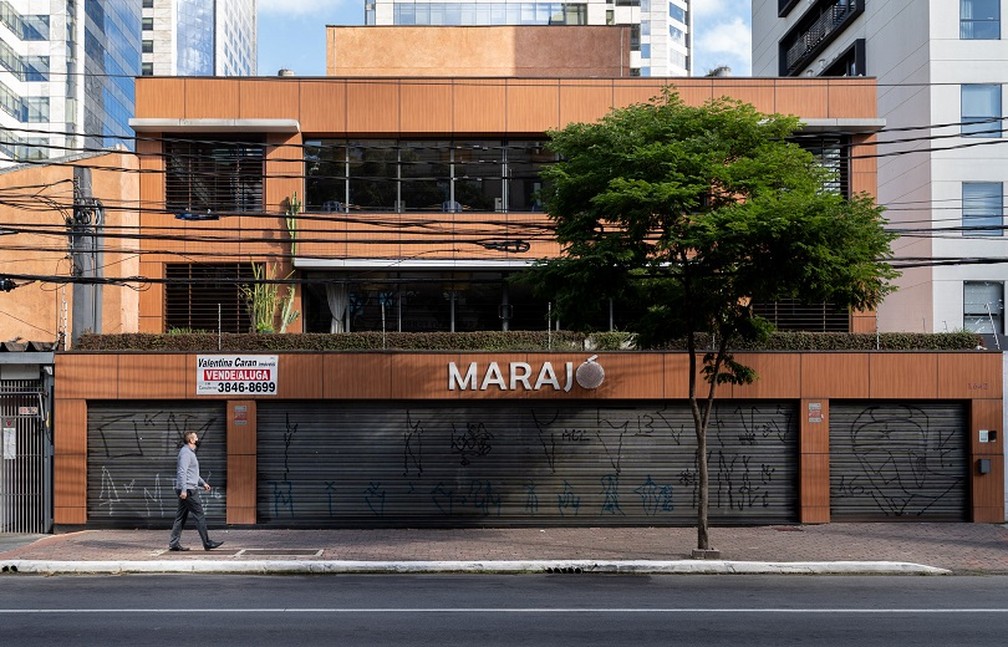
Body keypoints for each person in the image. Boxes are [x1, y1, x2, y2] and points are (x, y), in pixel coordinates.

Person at [167, 431, 223, 551]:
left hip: (188, 488)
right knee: (199, 515)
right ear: (191, 440)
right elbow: (182, 471)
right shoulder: (186, 453)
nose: (198, 439)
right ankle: (207, 543)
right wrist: (184, 489)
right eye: (196, 438)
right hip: (188, 490)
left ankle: (174, 543)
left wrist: (203, 483)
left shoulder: (189, 453)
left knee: (181, 517)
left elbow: (192, 473)